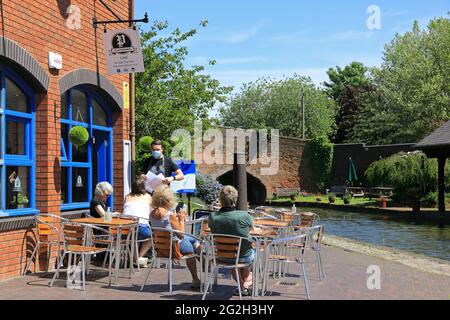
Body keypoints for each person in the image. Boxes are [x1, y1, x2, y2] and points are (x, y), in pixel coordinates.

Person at [149, 185, 201, 289]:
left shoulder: (151, 214)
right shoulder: (170, 215)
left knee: (193, 240)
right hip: (174, 248)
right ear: (169, 200)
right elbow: (181, 235)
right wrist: (181, 220)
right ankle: (199, 274)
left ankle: (202, 260)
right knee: (192, 245)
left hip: (161, 248)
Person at [208, 185, 256, 296]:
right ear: (236, 199)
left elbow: (213, 232)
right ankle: (246, 283)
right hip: (244, 256)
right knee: (251, 252)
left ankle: (242, 286)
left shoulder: (213, 216)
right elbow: (252, 230)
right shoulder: (244, 215)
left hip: (222, 256)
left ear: (220, 199)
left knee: (235, 258)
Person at [123, 177, 153, 267]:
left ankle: (134, 259)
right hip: (140, 227)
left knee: (134, 237)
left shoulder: (127, 196)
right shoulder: (148, 196)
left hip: (124, 229)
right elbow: (151, 213)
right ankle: (137, 258)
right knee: (152, 237)